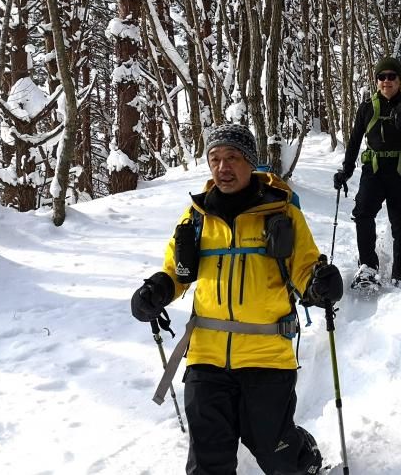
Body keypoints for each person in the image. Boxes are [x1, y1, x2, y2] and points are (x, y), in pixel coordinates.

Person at [131, 123, 343, 475]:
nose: (222, 167)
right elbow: (177, 271)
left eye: (232, 157)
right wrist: (156, 291)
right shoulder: (196, 217)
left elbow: (304, 268)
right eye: (214, 158)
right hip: (206, 355)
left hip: (267, 354)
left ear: (250, 162)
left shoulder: (281, 212)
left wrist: (320, 284)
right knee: (208, 459)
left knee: (275, 452)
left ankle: (303, 454)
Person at [333, 56, 401, 292]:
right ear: (376, 81)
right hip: (373, 170)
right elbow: (354, 141)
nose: (386, 81)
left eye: (391, 77)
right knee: (363, 213)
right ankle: (367, 267)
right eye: (381, 77)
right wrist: (345, 170)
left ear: (399, 79)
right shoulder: (367, 108)